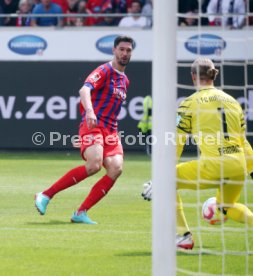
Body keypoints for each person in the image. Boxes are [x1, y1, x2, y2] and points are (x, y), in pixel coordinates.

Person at [142, 57, 253, 250]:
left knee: (168, 181)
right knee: (226, 207)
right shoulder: (233, 102)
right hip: (238, 166)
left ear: (193, 76)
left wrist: (161, 176)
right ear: (213, 75)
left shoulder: (189, 103)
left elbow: (176, 143)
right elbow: (244, 142)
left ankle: (183, 235)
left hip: (213, 164)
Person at [35, 35, 134, 224]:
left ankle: (81, 212)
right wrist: (89, 111)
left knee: (116, 169)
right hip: (93, 125)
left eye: (128, 50)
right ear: (114, 50)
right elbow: (84, 90)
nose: (124, 53)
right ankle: (46, 195)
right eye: (121, 49)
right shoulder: (104, 70)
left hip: (111, 131)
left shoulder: (125, 81)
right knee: (94, 165)